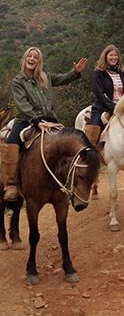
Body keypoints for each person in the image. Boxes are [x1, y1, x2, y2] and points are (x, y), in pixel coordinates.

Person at [1, 47, 87, 202]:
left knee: (67, 141)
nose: (32, 59)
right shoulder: (18, 81)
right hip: (26, 120)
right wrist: (36, 121)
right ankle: (11, 184)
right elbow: (23, 104)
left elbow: (62, 78)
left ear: (39, 61)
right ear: (25, 59)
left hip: (50, 120)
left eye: (35, 57)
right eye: (30, 56)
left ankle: (67, 180)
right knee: (11, 141)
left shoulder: (45, 77)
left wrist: (75, 72)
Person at [84, 44, 124, 166]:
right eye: (111, 55)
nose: (113, 57)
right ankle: (88, 158)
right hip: (104, 106)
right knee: (94, 128)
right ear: (105, 57)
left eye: (115, 55)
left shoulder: (121, 72)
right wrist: (113, 107)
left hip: (123, 106)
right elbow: (99, 94)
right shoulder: (99, 73)